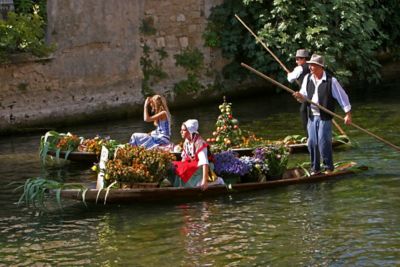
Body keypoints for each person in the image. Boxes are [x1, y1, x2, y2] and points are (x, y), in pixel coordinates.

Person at [293, 54, 352, 175]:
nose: (310, 68)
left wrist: (348, 114)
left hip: (324, 117)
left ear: (320, 67)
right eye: (310, 65)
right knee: (312, 142)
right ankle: (315, 168)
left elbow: (343, 97)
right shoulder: (307, 78)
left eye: (313, 65)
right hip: (312, 116)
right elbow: (303, 97)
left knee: (323, 142)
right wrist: (299, 96)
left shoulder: (331, 81)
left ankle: (328, 167)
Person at [171, 119, 223, 190]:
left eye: (183, 130)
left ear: (190, 131)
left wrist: (204, 181)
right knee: (177, 165)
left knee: (198, 184)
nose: (181, 132)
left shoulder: (199, 142)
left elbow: (204, 162)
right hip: (194, 165)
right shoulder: (186, 142)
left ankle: (217, 181)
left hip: (204, 167)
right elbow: (184, 158)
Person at [287, 49, 310, 136]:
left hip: (305, 96)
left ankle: (309, 137)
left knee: (303, 112)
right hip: (314, 95)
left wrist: (289, 74)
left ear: (303, 59)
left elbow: (290, 79)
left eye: (298, 59)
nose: (296, 61)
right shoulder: (312, 66)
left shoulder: (299, 68)